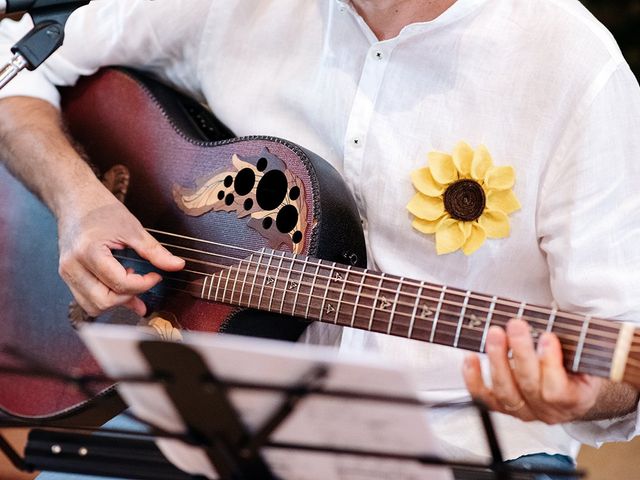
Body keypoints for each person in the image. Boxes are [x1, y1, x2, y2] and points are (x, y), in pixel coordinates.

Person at [0, 0, 639, 478]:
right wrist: (76, 200)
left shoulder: (570, 61)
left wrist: (586, 394)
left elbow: (620, 355)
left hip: (457, 447)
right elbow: (16, 60)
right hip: (201, 413)